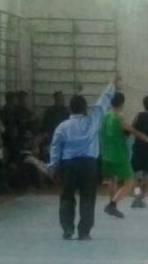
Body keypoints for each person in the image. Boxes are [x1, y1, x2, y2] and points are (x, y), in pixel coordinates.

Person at [48, 75, 121, 240]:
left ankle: (67, 228)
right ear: (85, 108)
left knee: (67, 197)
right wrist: (112, 84)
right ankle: (84, 232)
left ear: (70, 109)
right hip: (89, 165)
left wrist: (53, 165)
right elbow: (103, 101)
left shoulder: (62, 126)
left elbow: (55, 146)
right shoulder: (93, 120)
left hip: (68, 165)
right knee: (88, 198)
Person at [100, 91, 148, 218]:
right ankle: (133, 199)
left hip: (114, 153)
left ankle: (115, 201)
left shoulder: (107, 116)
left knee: (116, 179)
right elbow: (137, 133)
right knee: (139, 177)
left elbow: (128, 131)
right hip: (129, 153)